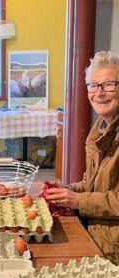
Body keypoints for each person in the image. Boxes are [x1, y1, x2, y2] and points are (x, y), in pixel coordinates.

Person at [45, 50, 119, 264]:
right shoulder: (101, 130)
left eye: (108, 85)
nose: (99, 92)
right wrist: (66, 190)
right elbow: (93, 184)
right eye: (93, 85)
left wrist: (78, 200)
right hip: (99, 236)